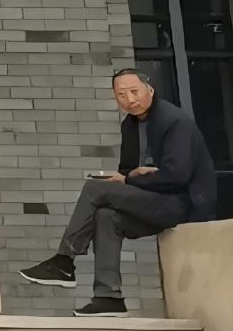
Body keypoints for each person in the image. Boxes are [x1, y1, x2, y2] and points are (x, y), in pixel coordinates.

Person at [19, 64, 222, 309]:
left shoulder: (174, 121)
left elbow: (176, 177)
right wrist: (130, 175)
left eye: (135, 91)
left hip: (182, 204)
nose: (130, 100)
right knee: (106, 216)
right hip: (152, 201)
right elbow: (127, 171)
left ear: (150, 90)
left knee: (95, 189)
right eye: (121, 95)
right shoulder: (130, 125)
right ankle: (109, 298)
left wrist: (129, 179)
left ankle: (63, 262)